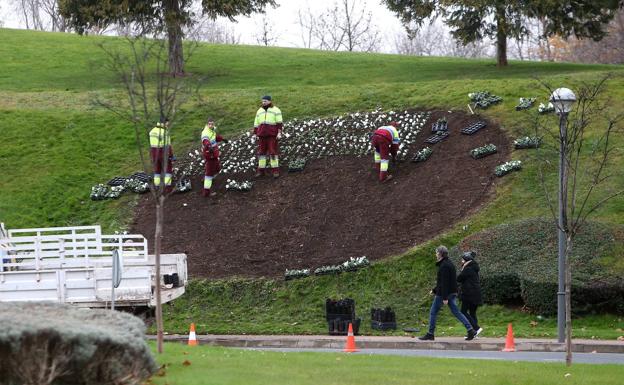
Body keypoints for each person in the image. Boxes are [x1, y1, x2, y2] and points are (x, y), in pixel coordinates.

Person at [419, 246, 477, 341]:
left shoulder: (444, 266)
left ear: (441, 254)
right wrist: (434, 290)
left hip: (444, 294)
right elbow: (446, 281)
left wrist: (444, 297)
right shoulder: (449, 263)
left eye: (437, 252)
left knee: (433, 312)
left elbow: (444, 283)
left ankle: (430, 333)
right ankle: (471, 330)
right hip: (452, 292)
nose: (436, 254)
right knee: (457, 312)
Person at [253, 95, 283, 178]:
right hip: (262, 135)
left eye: (265, 101)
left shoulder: (276, 110)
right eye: (262, 101)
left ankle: (275, 171)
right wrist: (255, 133)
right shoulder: (259, 111)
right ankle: (261, 171)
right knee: (261, 153)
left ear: (270, 101)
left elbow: (279, 123)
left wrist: (279, 133)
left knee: (273, 152)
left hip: (272, 135)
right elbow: (256, 123)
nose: (263, 103)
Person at [457, 251, 483, 338]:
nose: (461, 261)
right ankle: (474, 333)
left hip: (469, 294)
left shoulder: (468, 269)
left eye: (462, 260)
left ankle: (476, 328)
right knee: (472, 313)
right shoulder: (474, 267)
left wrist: (463, 268)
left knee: (463, 311)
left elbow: (459, 278)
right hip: (476, 293)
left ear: (466, 260)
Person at [201, 118, 228, 197]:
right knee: (209, 174)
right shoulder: (205, 132)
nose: (211, 125)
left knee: (217, 168)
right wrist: (209, 147)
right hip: (210, 154)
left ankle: (207, 177)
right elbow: (205, 141)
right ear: (207, 124)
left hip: (214, 154)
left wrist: (222, 139)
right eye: (209, 124)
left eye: (212, 124)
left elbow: (215, 137)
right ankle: (207, 192)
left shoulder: (212, 131)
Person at [149, 117, 174, 193]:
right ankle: (168, 188)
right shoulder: (164, 132)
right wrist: (171, 156)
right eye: (167, 123)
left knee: (157, 171)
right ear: (164, 122)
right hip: (163, 154)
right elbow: (167, 146)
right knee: (168, 170)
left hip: (154, 154)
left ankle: (157, 188)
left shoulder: (152, 131)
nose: (168, 125)